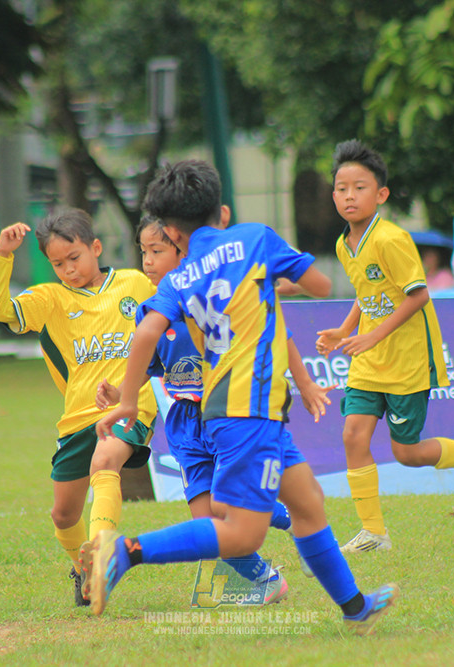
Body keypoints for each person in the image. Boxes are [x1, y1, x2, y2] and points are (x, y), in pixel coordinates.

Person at [90, 160, 398, 636]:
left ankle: (355, 608)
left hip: (234, 409)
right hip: (247, 411)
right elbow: (321, 286)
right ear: (222, 210)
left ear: (171, 231)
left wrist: (129, 403)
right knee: (240, 533)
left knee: (308, 504)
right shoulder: (255, 238)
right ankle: (128, 551)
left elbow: (146, 334)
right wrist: (273, 281)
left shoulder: (176, 279)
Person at [95, 214, 333, 600]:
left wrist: (305, 383)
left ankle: (301, 525)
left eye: (157, 251)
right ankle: (265, 579)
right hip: (185, 423)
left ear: (181, 247)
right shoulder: (156, 309)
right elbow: (149, 366)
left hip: (230, 415)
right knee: (206, 516)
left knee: (233, 503)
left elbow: (279, 334)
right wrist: (121, 391)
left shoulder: (223, 294)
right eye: (143, 253)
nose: (148, 262)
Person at [316, 140, 454, 554]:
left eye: (359, 187)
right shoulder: (343, 244)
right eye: (341, 188)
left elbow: (418, 295)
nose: (349, 196)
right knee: (353, 434)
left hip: (406, 359)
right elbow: (366, 293)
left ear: (381, 195)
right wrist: (344, 329)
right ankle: (374, 533)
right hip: (369, 361)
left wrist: (372, 334)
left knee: (406, 453)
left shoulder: (391, 239)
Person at [0, 209, 158, 608]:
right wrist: (3, 256)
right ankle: (84, 569)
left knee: (106, 461)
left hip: (130, 405)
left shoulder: (135, 284)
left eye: (75, 258)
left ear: (96, 248)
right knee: (63, 515)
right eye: (57, 264)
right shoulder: (51, 299)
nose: (68, 269)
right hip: (78, 417)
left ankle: (102, 557)